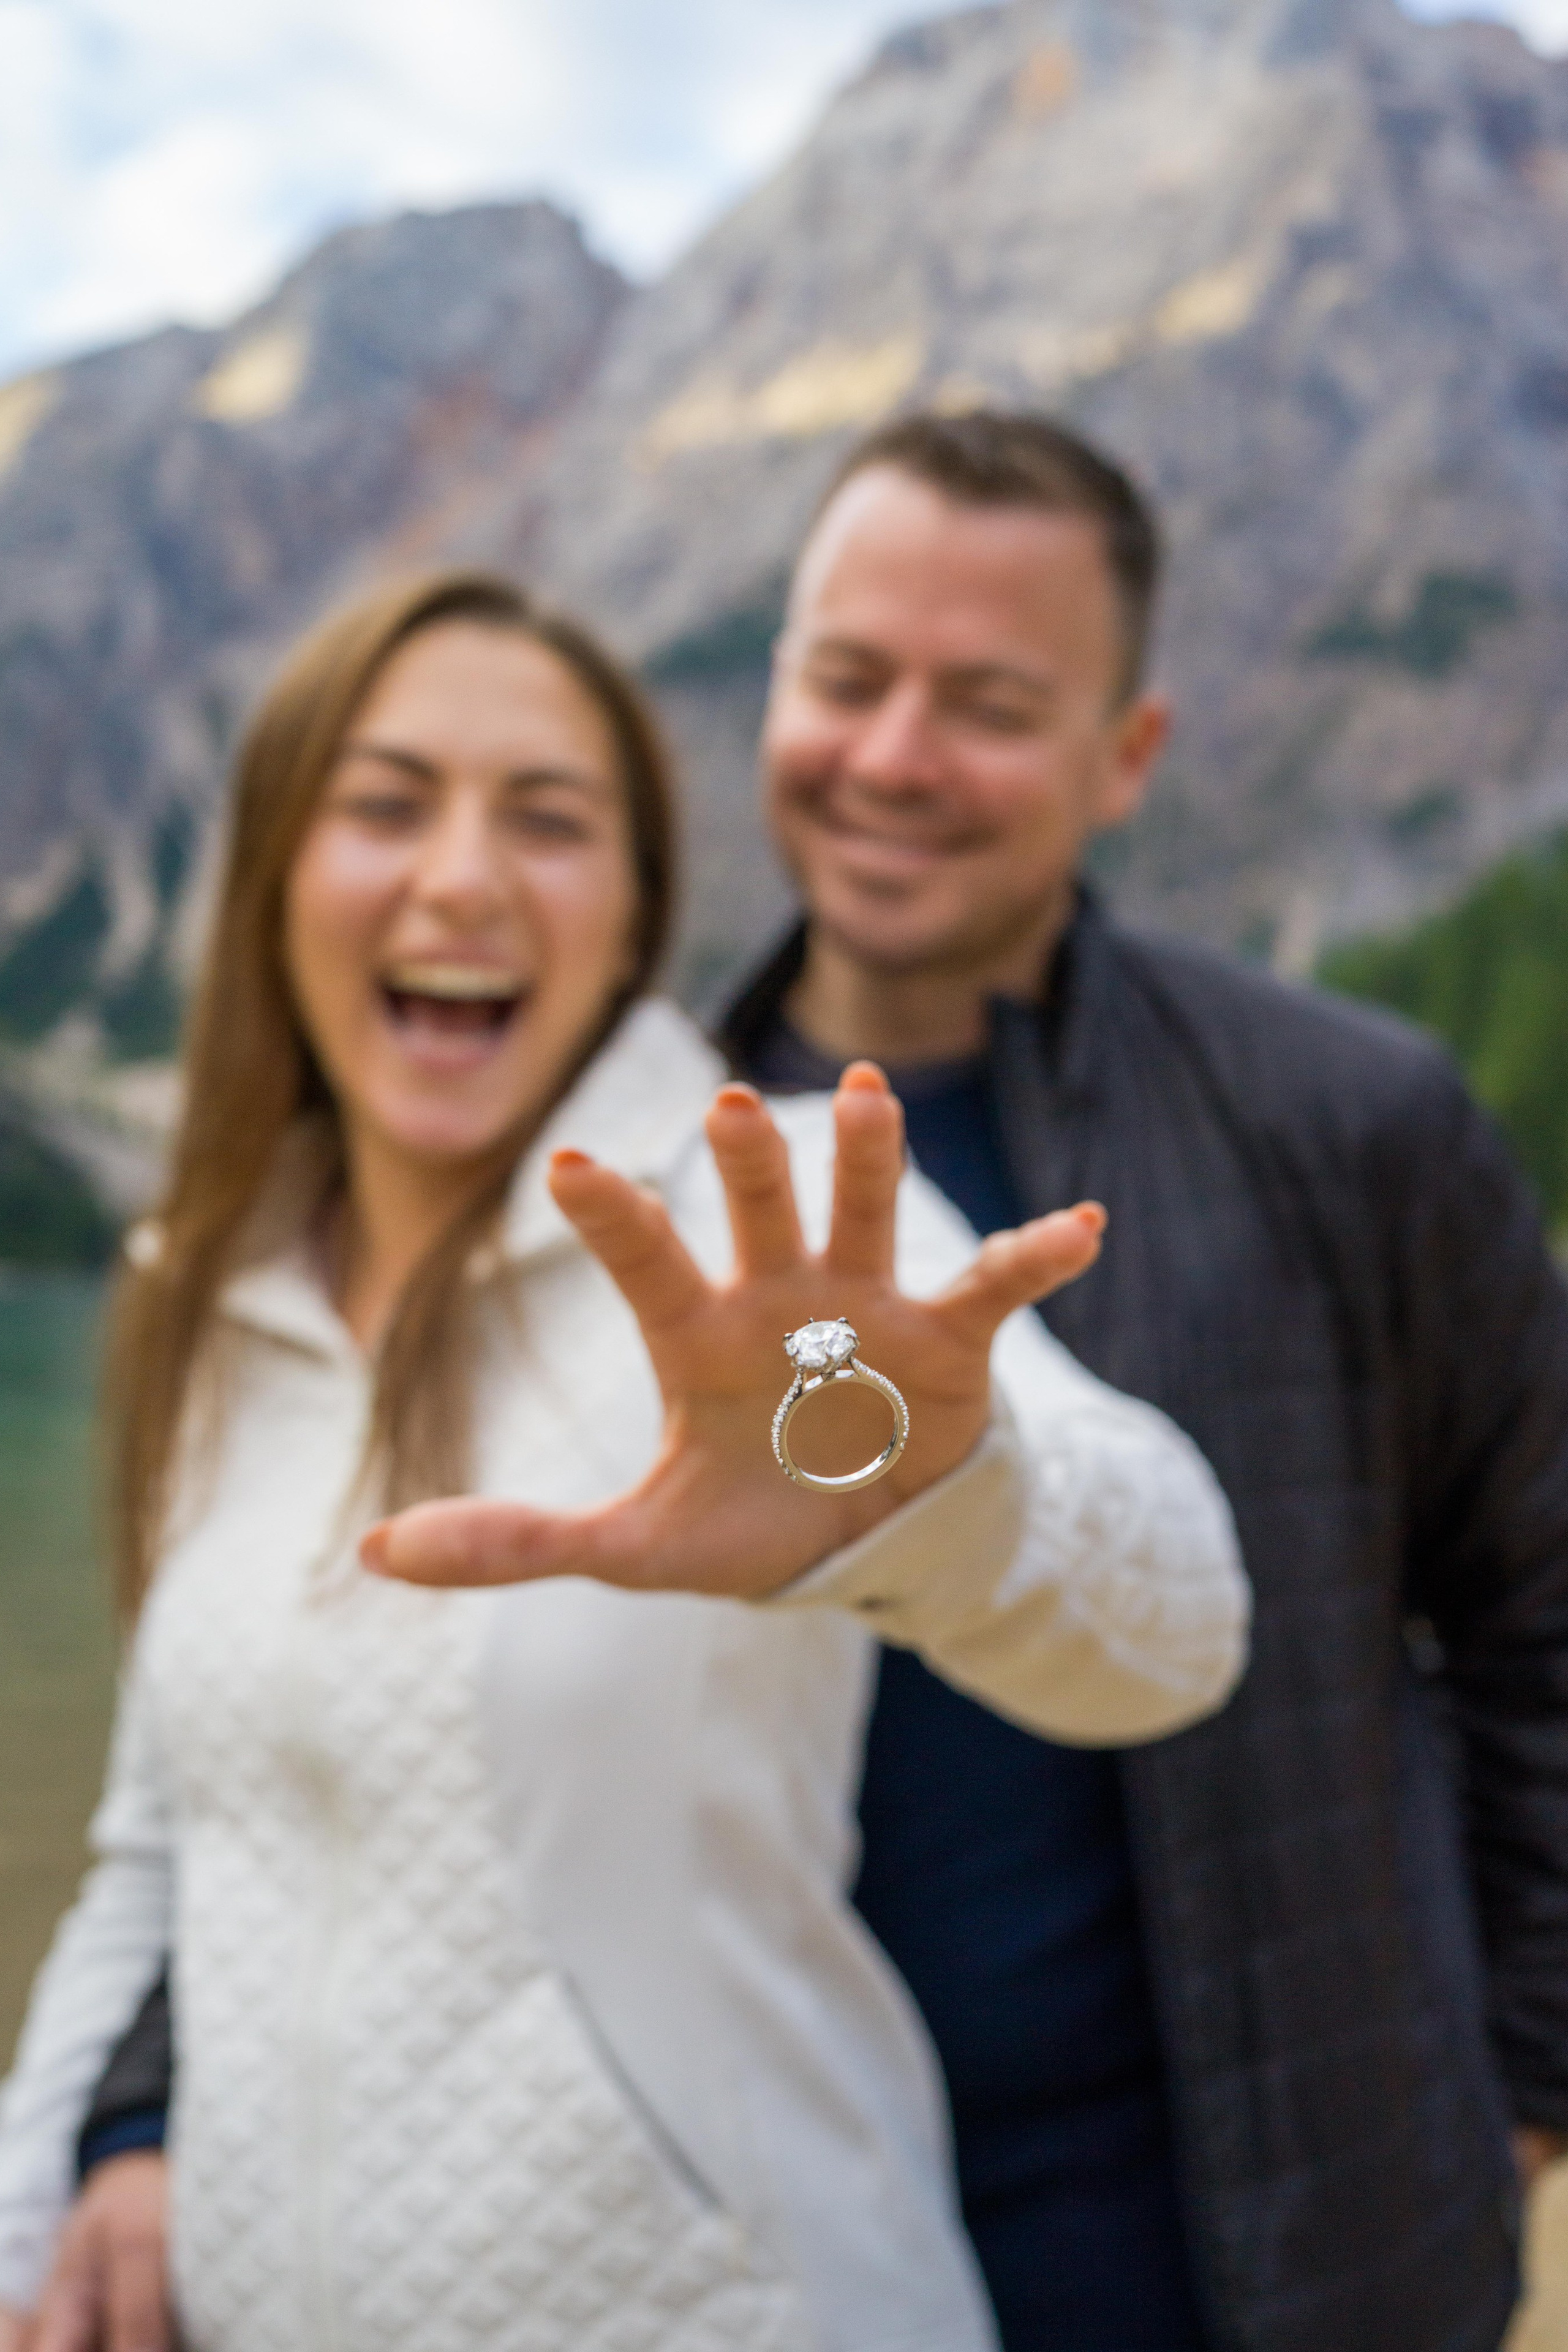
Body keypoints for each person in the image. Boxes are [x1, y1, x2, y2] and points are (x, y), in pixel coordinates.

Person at [43, 402, 1568, 2350]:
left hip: (1242, 2228)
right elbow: (283, 1767)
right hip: (801, 2190)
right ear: (770, 693)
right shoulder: (598, 1179)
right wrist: (139, 2118)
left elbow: (1490, 1616)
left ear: (1128, 757)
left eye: (988, 705)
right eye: (848, 680)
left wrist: (1520, 2094)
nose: (895, 758)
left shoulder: (1336, 1123)